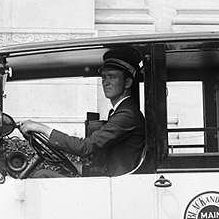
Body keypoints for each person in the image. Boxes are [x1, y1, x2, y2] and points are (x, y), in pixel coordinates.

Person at [19, 48, 146, 177]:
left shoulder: (127, 115)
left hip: (118, 184)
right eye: (103, 77)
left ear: (127, 83)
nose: (106, 82)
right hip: (110, 180)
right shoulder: (122, 111)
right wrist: (75, 166)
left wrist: (42, 128)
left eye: (113, 77)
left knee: (42, 175)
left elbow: (85, 147)